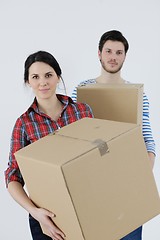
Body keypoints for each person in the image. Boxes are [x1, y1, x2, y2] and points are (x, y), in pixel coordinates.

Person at [72, 30, 156, 240]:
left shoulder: (137, 94)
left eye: (119, 52)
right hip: (92, 185)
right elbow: (72, 137)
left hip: (127, 185)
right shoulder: (81, 91)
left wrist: (141, 176)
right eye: (108, 51)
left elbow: (147, 139)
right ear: (99, 53)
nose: (113, 57)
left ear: (125, 57)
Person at [5, 50, 94, 240]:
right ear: (28, 82)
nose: (43, 82)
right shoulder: (24, 124)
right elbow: (12, 177)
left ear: (58, 77)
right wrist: (35, 212)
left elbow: (96, 157)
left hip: (86, 207)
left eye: (48, 75)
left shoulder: (82, 112)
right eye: (35, 77)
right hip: (47, 218)